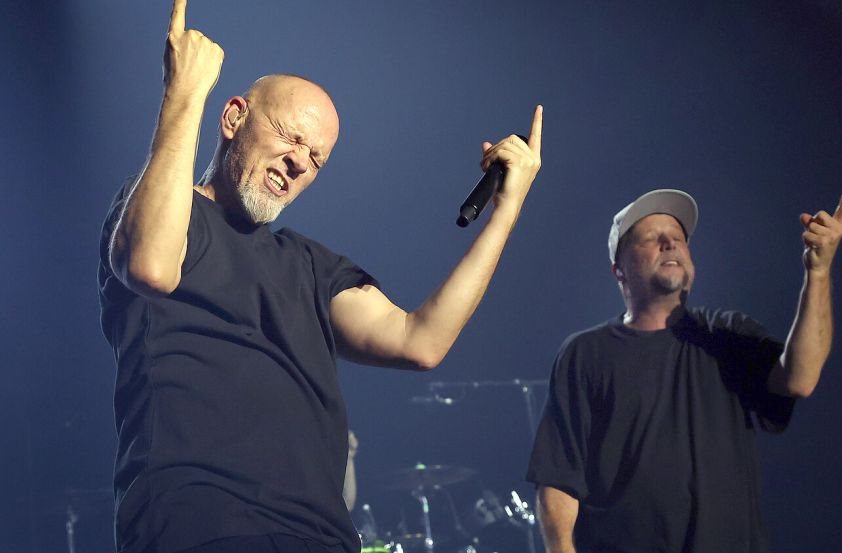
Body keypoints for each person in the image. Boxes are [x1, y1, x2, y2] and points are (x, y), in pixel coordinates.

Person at [97, 1, 543, 552]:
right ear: (233, 117)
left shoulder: (310, 265)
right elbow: (150, 267)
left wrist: (507, 210)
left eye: (317, 158)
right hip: (200, 524)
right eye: (289, 137)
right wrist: (184, 95)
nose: (300, 162)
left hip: (320, 536)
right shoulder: (158, 212)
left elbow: (419, 341)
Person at [527, 186, 842, 553]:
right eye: (652, 238)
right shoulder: (585, 353)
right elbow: (558, 477)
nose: (670, 244)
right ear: (619, 269)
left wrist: (819, 272)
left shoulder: (726, 334)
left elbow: (800, 378)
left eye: (678, 238)